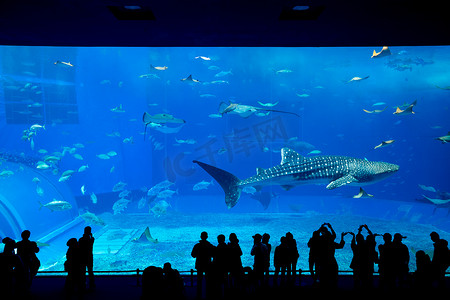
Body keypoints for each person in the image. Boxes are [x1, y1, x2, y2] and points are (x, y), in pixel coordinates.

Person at [317, 223, 345, 288]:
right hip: (331, 260)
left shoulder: (320, 240)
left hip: (323, 260)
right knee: (334, 275)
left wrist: (321, 227)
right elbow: (340, 245)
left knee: (323, 276)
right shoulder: (331, 242)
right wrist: (342, 237)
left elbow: (316, 235)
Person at [191, 231, 215, 298]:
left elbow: (193, 255)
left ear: (200, 237)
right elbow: (214, 254)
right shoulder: (210, 245)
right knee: (208, 282)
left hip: (199, 265)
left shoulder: (197, 246)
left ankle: (199, 296)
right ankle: (208, 296)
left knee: (199, 281)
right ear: (207, 237)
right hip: (208, 266)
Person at [79, 226, 95, 290]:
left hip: (82, 257)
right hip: (89, 257)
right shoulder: (91, 239)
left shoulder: (81, 239)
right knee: (90, 271)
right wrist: (91, 236)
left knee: (82, 271)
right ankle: (92, 283)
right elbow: (92, 241)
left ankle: (82, 283)